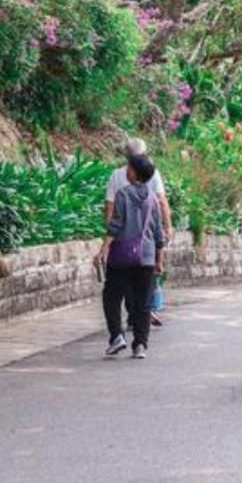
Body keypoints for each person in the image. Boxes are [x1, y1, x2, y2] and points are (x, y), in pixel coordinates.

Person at [96, 154, 166, 360]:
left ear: (134, 172)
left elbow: (115, 225)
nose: (127, 169)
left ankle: (117, 336)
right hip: (146, 258)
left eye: (129, 167)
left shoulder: (123, 194)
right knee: (143, 303)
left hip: (121, 257)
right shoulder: (154, 198)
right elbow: (158, 232)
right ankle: (140, 345)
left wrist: (104, 249)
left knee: (111, 296)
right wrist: (159, 259)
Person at [100, 138, 172, 326]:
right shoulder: (152, 173)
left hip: (122, 238)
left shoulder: (116, 175)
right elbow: (161, 202)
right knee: (142, 278)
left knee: (121, 282)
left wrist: (110, 236)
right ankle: (140, 320)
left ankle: (130, 322)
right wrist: (167, 228)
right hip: (145, 239)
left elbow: (109, 207)